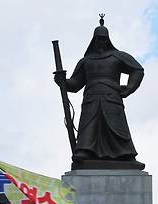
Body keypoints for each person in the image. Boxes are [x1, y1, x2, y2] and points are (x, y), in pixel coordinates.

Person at [54, 19, 145, 166]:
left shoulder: (117, 56)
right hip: (91, 97)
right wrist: (62, 81)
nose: (101, 42)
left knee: (116, 126)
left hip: (111, 97)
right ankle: (84, 151)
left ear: (108, 39)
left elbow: (137, 70)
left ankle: (124, 154)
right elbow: (75, 84)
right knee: (89, 125)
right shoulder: (86, 61)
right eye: (98, 39)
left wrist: (129, 87)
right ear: (94, 40)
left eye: (103, 39)